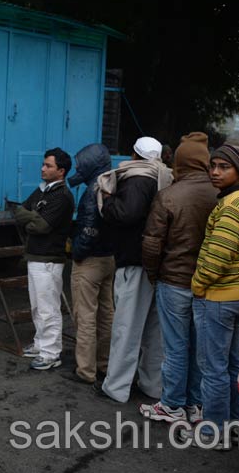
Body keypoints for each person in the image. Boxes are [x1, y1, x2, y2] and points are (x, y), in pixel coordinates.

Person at [186, 140, 239, 446]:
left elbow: (218, 256)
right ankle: (238, 423)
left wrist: (198, 286)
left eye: (224, 167)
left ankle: (212, 430)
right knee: (232, 365)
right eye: (213, 166)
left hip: (219, 297)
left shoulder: (231, 207)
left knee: (213, 368)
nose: (215, 172)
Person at [139, 132, 217, 424]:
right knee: (199, 348)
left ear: (180, 162)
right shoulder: (220, 194)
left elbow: (152, 243)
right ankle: (195, 404)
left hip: (173, 281)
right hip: (208, 284)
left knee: (174, 347)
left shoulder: (169, 195)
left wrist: (152, 273)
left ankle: (172, 403)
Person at [94, 136, 173, 403]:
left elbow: (127, 214)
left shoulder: (137, 178)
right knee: (154, 329)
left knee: (126, 327)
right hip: (157, 262)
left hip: (134, 260)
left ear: (134, 154)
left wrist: (108, 200)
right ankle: (152, 385)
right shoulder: (164, 177)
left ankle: (115, 387)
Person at [14, 148, 75, 370]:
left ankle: (51, 353)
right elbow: (19, 211)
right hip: (36, 256)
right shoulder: (43, 191)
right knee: (37, 306)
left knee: (48, 307)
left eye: (48, 166)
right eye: (43, 164)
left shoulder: (62, 197)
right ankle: (41, 344)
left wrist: (32, 219)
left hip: (49, 259)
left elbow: (41, 226)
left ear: (61, 171)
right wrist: (32, 218)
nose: (42, 168)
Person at [63, 143, 115, 385]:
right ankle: (104, 365)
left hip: (90, 261)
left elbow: (88, 228)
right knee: (106, 316)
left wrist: (77, 252)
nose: (78, 168)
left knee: (85, 317)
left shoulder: (92, 190)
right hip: (109, 258)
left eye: (80, 163)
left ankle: (85, 371)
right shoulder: (112, 182)